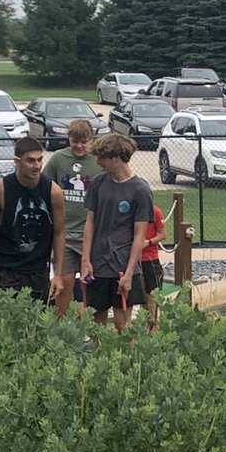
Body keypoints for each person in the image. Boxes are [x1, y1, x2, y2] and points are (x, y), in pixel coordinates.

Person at [0, 138, 65, 303]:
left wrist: (58, 274)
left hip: (37, 270)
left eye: (39, 160)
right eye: (30, 160)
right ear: (17, 161)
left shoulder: (54, 192)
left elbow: (59, 233)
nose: (36, 165)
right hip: (3, 268)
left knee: (35, 324)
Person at [81, 133, 153, 333]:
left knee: (123, 325)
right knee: (96, 323)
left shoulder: (140, 190)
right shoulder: (98, 183)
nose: (98, 162)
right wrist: (86, 260)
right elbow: (90, 222)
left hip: (123, 267)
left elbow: (140, 235)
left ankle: (124, 362)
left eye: (101, 158)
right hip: (98, 265)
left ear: (116, 158)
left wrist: (129, 273)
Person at [42, 118, 104, 315]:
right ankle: (62, 327)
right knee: (64, 281)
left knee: (89, 282)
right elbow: (44, 186)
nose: (78, 146)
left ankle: (90, 330)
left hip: (90, 233)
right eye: (74, 141)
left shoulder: (98, 161)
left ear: (91, 140)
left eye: (83, 141)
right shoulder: (59, 158)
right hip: (64, 232)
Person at [140, 202, 166, 330]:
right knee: (141, 293)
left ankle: (153, 324)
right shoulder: (132, 210)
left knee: (153, 293)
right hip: (134, 259)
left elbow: (162, 234)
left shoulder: (156, 211)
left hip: (151, 258)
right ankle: (145, 322)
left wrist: (148, 242)